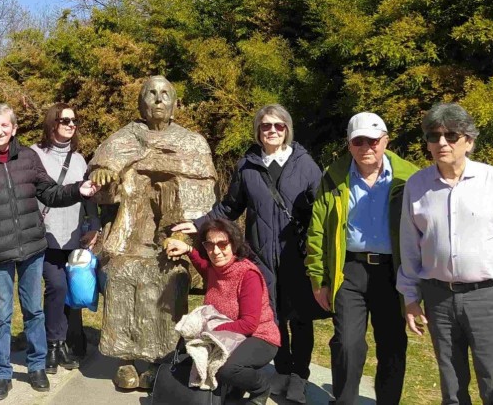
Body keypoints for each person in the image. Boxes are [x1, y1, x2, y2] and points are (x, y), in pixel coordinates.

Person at [173, 104, 321, 403]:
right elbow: (229, 207)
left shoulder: (306, 165)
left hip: (296, 257)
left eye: (279, 126)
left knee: (300, 319)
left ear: (287, 129)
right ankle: (279, 372)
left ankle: (299, 377)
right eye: (266, 126)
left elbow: (320, 211)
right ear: (258, 131)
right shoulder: (247, 165)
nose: (273, 131)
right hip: (261, 257)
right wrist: (198, 223)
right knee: (271, 318)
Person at [398, 103, 493, 405]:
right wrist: (410, 299)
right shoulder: (417, 185)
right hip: (438, 298)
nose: (442, 143)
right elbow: (410, 247)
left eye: (451, 135)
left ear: (469, 141)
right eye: (433, 136)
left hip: (489, 299)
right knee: (451, 386)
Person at [0, 103, 98, 402]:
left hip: (33, 249)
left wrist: (78, 190)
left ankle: (36, 366)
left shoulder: (28, 157)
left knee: (34, 311)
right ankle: (1, 373)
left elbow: (49, 192)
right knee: (0, 315)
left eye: (4, 125)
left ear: (14, 129)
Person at [88, 75, 217, 390]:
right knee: (119, 273)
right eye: (151, 93)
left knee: (168, 276)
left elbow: (204, 195)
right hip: (129, 232)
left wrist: (182, 234)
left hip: (174, 235)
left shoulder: (192, 143)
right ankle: (125, 360)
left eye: (165, 94)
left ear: (174, 105)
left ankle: (161, 361)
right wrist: (105, 176)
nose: (158, 99)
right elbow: (99, 186)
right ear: (140, 103)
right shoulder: (123, 139)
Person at [305, 112, 418, 405]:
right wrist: (319, 279)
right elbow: (317, 231)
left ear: (386, 141)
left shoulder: (411, 178)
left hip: (392, 273)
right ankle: (344, 401)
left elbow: (425, 233)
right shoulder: (334, 177)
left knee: (392, 346)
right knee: (347, 344)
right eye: (359, 141)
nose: (366, 147)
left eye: (373, 140)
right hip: (349, 271)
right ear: (349, 144)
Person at [166, 218, 281, 405]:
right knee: (188, 351)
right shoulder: (214, 270)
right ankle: (232, 388)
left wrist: (210, 332)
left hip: (259, 336)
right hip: (228, 335)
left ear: (234, 244)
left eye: (222, 244)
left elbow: (249, 324)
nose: (216, 251)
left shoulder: (248, 275)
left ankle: (260, 387)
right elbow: (203, 266)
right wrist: (188, 250)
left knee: (227, 369)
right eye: (209, 245)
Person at [30, 103, 101, 374]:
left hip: (74, 234)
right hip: (45, 235)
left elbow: (89, 196)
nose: (71, 125)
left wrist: (94, 225)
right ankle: (53, 344)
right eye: (65, 120)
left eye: (74, 121)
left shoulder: (80, 159)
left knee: (74, 290)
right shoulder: (34, 155)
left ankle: (73, 342)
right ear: (52, 123)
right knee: (57, 287)